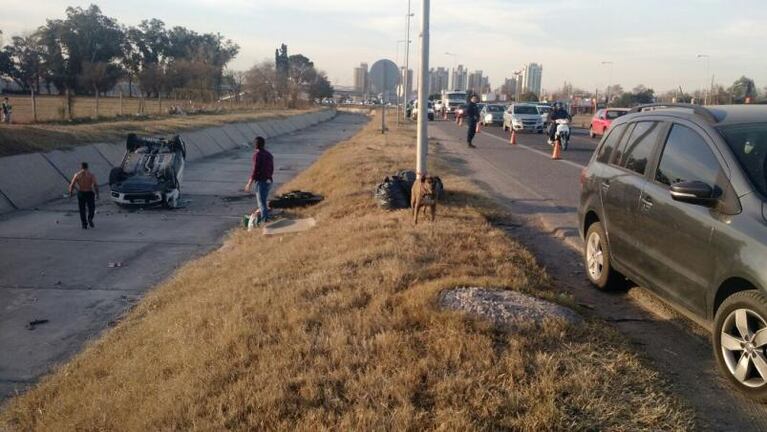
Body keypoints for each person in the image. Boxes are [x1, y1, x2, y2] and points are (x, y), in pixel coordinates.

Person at [244, 136, 274, 225]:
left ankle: (265, 222)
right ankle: (265, 218)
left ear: (255, 145)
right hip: (269, 181)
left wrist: (249, 183)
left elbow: (255, 170)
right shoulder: (268, 154)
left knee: (261, 203)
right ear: (264, 144)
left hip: (261, 182)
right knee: (263, 202)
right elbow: (271, 168)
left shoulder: (257, 155)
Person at [68, 162, 99, 229]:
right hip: (89, 192)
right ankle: (90, 218)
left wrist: (70, 193)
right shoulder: (91, 175)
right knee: (91, 207)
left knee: (82, 209)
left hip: (81, 193)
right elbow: (95, 185)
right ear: (87, 167)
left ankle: (84, 224)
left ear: (81, 167)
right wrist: (97, 194)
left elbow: (72, 184)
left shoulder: (77, 175)